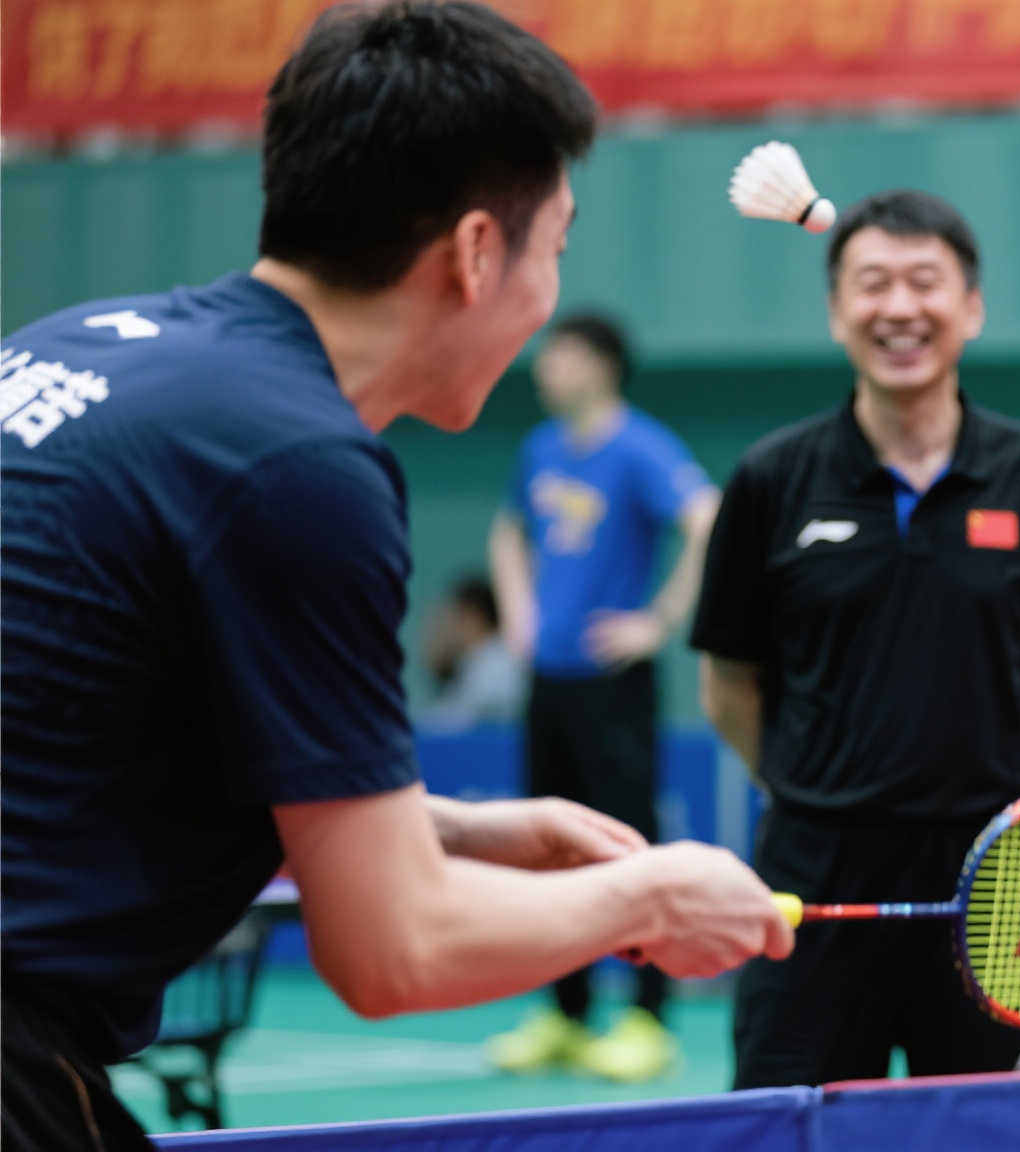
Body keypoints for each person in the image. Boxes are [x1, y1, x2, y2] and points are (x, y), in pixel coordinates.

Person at [0, 6, 792, 1148]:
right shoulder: (299, 465)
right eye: (554, 248)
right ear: (476, 253)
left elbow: (92, 746)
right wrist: (655, 894)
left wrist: (458, 830)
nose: (548, 303)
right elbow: (390, 950)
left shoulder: (79, 344)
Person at [691, 189, 1020, 1088]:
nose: (899, 308)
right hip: (814, 876)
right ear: (838, 311)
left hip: (991, 873)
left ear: (972, 307)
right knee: (791, 1119)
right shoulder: (771, 478)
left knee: (989, 1126)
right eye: (872, 283)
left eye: (926, 282)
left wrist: (991, 798)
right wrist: (823, 788)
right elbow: (729, 685)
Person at [483, 312, 722, 1081]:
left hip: (614, 680)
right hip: (547, 678)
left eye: (562, 355)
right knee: (550, 848)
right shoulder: (540, 449)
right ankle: (565, 1012)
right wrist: (518, 611)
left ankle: (648, 1018)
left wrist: (657, 621)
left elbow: (705, 518)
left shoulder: (640, 447)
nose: (546, 367)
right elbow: (507, 532)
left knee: (629, 844)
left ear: (603, 366)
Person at [415, 573, 525, 732]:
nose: (438, 630)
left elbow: (455, 726)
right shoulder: (480, 664)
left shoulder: (498, 667)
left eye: (446, 619)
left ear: (472, 617)